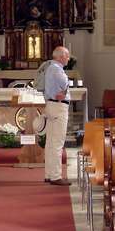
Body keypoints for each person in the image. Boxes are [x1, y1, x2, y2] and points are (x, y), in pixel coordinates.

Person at [43, 46, 71, 186]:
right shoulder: (56, 68)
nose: (68, 58)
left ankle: (49, 174)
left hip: (52, 105)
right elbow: (65, 83)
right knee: (57, 143)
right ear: (60, 57)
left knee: (50, 142)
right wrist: (66, 91)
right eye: (66, 55)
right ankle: (56, 176)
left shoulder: (50, 67)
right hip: (58, 107)